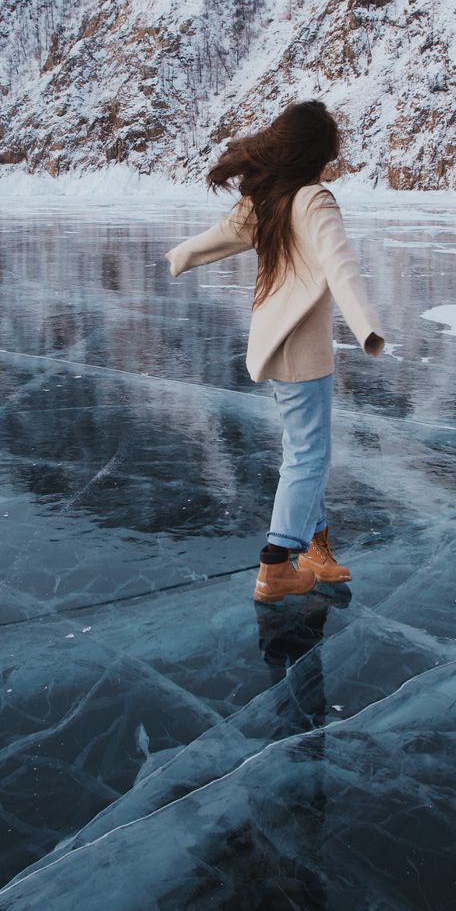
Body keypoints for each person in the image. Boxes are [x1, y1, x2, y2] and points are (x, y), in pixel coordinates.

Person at [166, 99, 385, 603]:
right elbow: (341, 265)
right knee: (309, 456)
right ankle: (276, 563)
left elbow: (218, 237)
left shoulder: (268, 199)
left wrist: (180, 256)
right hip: (303, 353)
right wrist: (367, 327)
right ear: (318, 154)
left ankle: (314, 547)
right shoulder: (313, 200)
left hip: (276, 344)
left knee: (303, 449)